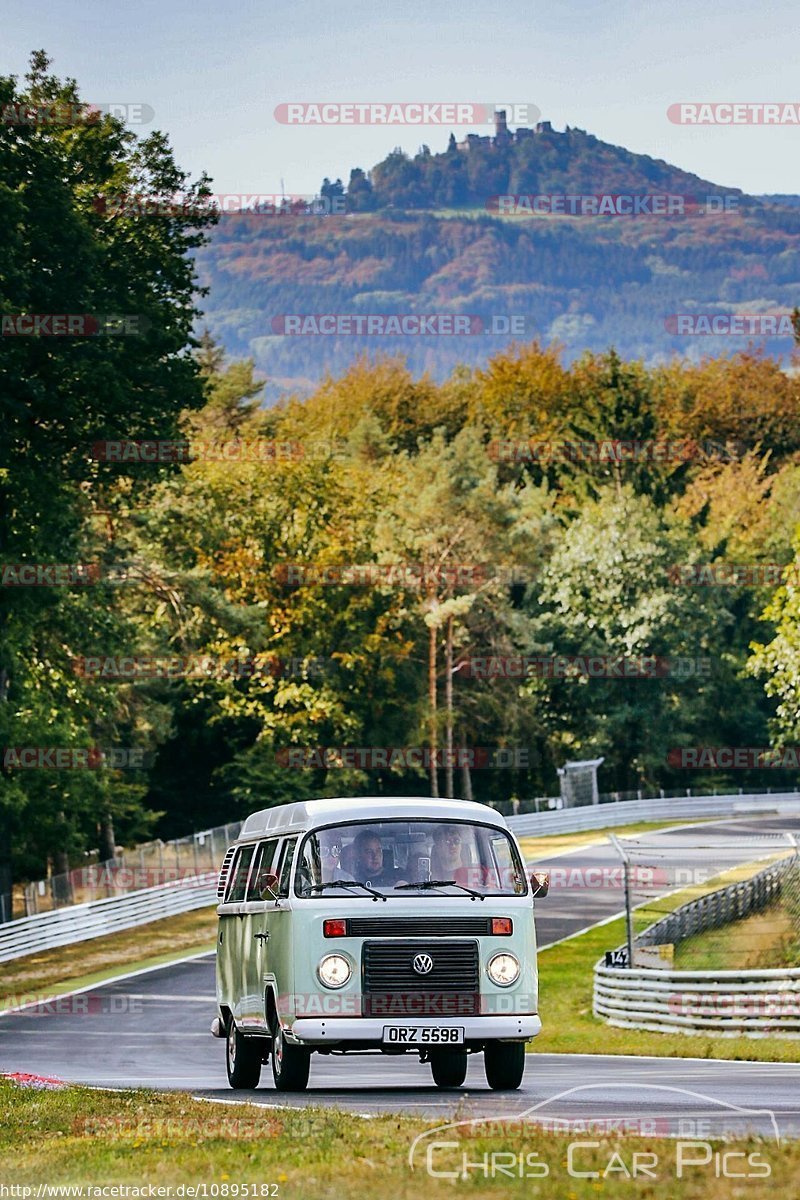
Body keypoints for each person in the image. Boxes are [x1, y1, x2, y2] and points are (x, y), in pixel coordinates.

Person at [430, 825, 492, 889]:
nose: (453, 845)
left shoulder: (480, 873)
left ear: (461, 845)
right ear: (437, 847)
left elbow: (492, 894)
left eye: (456, 841)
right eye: (447, 842)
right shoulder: (427, 877)